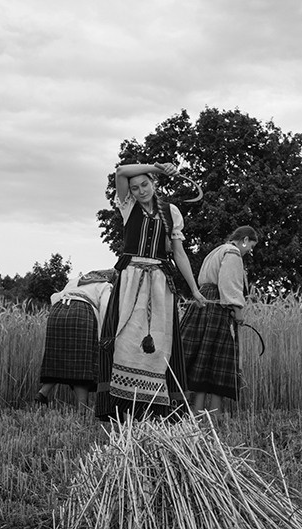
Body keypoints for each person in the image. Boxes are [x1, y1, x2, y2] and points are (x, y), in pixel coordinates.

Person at [95, 162, 206, 421]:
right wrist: (156, 167)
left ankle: (155, 409)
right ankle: (121, 408)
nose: (141, 190)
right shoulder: (128, 207)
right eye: (135, 188)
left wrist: (195, 290)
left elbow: (179, 253)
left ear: (154, 185)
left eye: (145, 184)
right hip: (130, 280)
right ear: (130, 192)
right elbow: (121, 171)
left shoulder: (171, 212)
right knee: (125, 338)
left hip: (158, 283)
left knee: (158, 341)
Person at [180, 226, 259, 416]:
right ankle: (214, 415)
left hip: (204, 304)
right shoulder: (232, 253)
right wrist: (237, 310)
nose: (249, 252)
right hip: (217, 307)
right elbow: (229, 284)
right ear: (245, 239)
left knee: (203, 360)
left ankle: (197, 412)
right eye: (250, 247)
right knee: (218, 362)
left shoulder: (218, 250)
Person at [35, 269, 115, 408]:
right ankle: (82, 408)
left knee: (57, 359)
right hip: (81, 313)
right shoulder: (106, 286)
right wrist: (103, 338)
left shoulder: (75, 281)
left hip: (57, 311)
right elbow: (106, 310)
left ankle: (42, 394)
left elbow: (55, 297)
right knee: (81, 364)